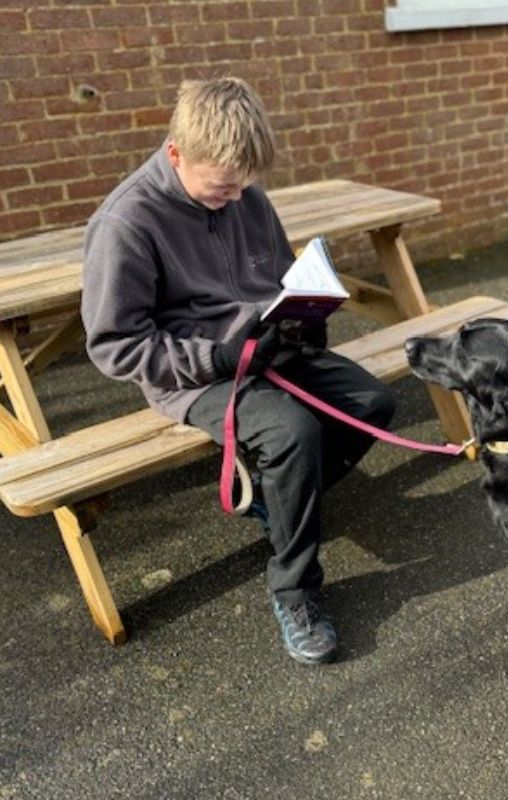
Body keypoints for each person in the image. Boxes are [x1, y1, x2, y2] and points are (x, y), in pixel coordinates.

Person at [81, 77, 395, 665]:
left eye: (243, 185)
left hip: (267, 344)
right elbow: (115, 346)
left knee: (372, 405)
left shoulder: (245, 194)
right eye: (221, 187)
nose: (235, 198)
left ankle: (278, 502)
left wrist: (304, 320)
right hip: (192, 373)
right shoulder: (125, 223)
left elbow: (276, 277)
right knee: (291, 433)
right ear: (176, 153)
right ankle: (295, 591)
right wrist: (218, 358)